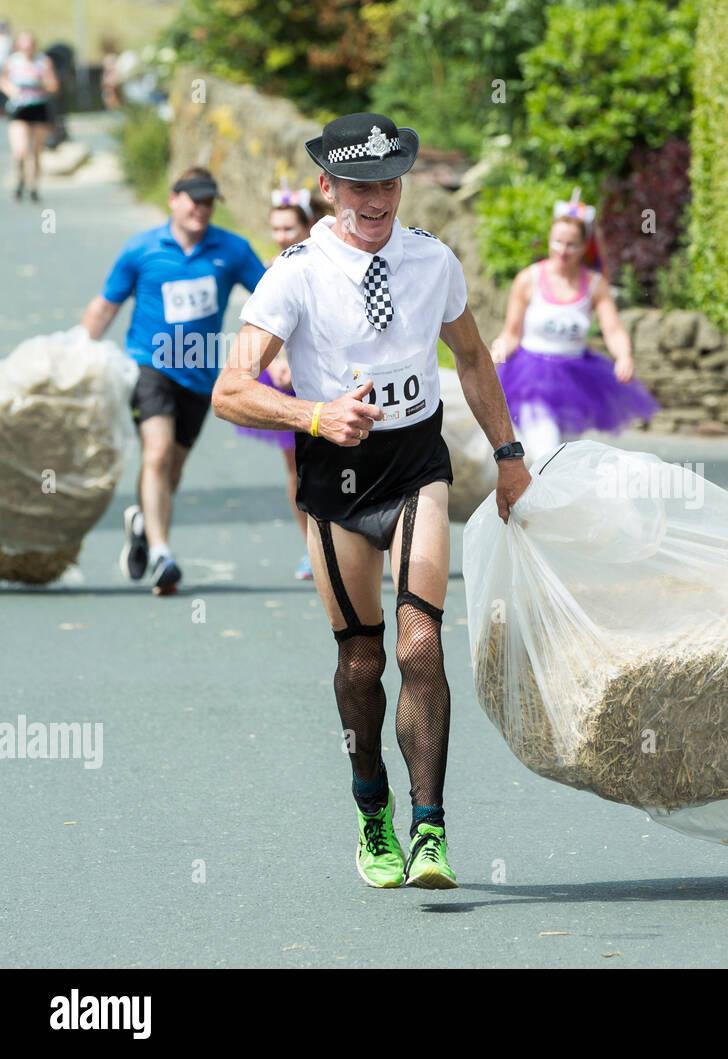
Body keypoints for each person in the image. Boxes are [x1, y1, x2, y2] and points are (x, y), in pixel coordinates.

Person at [213, 112, 530, 890]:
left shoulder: (433, 261)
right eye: (359, 185)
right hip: (336, 475)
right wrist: (313, 414)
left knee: (420, 645)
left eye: (388, 182)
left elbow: (474, 357)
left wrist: (510, 454)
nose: (376, 199)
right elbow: (230, 390)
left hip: (416, 462)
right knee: (362, 660)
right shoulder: (295, 270)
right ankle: (370, 807)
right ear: (328, 188)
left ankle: (430, 828)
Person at [80, 166, 265, 594]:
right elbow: (106, 306)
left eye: (208, 202)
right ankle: (163, 554)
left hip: (200, 374)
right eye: (194, 199)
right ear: (173, 199)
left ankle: (145, 522)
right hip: (149, 367)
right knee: (158, 454)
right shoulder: (142, 249)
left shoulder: (231, 249)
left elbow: (272, 296)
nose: (201, 208)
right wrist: (78, 355)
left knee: (173, 469)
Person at [490, 198, 657, 461]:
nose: (563, 250)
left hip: (573, 381)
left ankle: (551, 502)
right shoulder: (528, 279)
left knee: (567, 458)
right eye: (557, 242)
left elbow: (612, 329)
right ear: (549, 240)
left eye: (571, 244)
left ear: (584, 247)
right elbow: (511, 333)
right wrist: (492, 358)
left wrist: (624, 355)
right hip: (531, 378)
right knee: (546, 452)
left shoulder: (594, 285)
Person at [230, 189, 324, 580]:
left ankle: (351, 539)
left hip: (324, 376)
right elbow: (260, 327)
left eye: (289, 227)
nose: (282, 235)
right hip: (285, 380)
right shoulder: (270, 270)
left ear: (307, 226)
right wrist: (281, 361)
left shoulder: (327, 265)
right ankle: (310, 548)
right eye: (275, 228)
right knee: (298, 469)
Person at [0, 31, 59, 202]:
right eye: (24, 45)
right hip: (18, 109)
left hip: (38, 109)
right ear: (19, 46)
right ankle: (20, 180)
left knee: (35, 152)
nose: (27, 49)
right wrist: (11, 89)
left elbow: (54, 86)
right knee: (20, 151)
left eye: (30, 45)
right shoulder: (13, 61)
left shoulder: (43, 62)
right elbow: (3, 81)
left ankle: (34, 187)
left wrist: (41, 83)